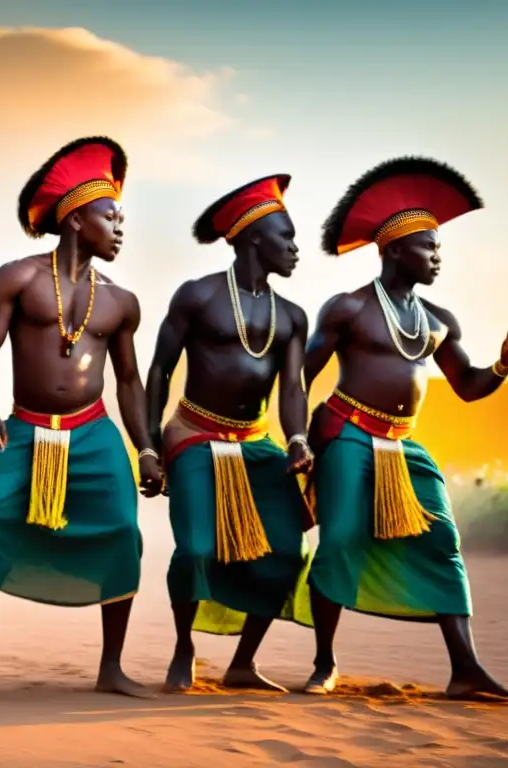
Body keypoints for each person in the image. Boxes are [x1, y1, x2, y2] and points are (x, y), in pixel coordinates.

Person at [0, 137, 164, 703]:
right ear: (78, 219)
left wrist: (146, 448)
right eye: (111, 216)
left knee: (123, 534)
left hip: (95, 432)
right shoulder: (19, 277)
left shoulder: (122, 301)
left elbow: (129, 380)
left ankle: (112, 667)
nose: (121, 227)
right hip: (26, 429)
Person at [303, 157, 508, 700]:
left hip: (402, 446)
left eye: (440, 248)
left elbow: (468, 385)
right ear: (394, 249)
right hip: (347, 434)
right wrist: (296, 438)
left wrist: (500, 365)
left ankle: (466, 669)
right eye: (429, 247)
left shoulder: (438, 319)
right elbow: (299, 378)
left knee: (442, 540)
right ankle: (324, 663)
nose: (437, 258)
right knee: (339, 541)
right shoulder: (348, 309)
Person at [145, 175, 315, 693]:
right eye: (286, 237)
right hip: (194, 433)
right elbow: (159, 371)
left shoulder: (292, 316)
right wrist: (150, 446)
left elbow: (292, 390)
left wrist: (298, 439)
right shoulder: (197, 297)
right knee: (196, 549)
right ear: (252, 238)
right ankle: (183, 648)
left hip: (256, 443)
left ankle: (243, 662)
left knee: (288, 551)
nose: (295, 248)